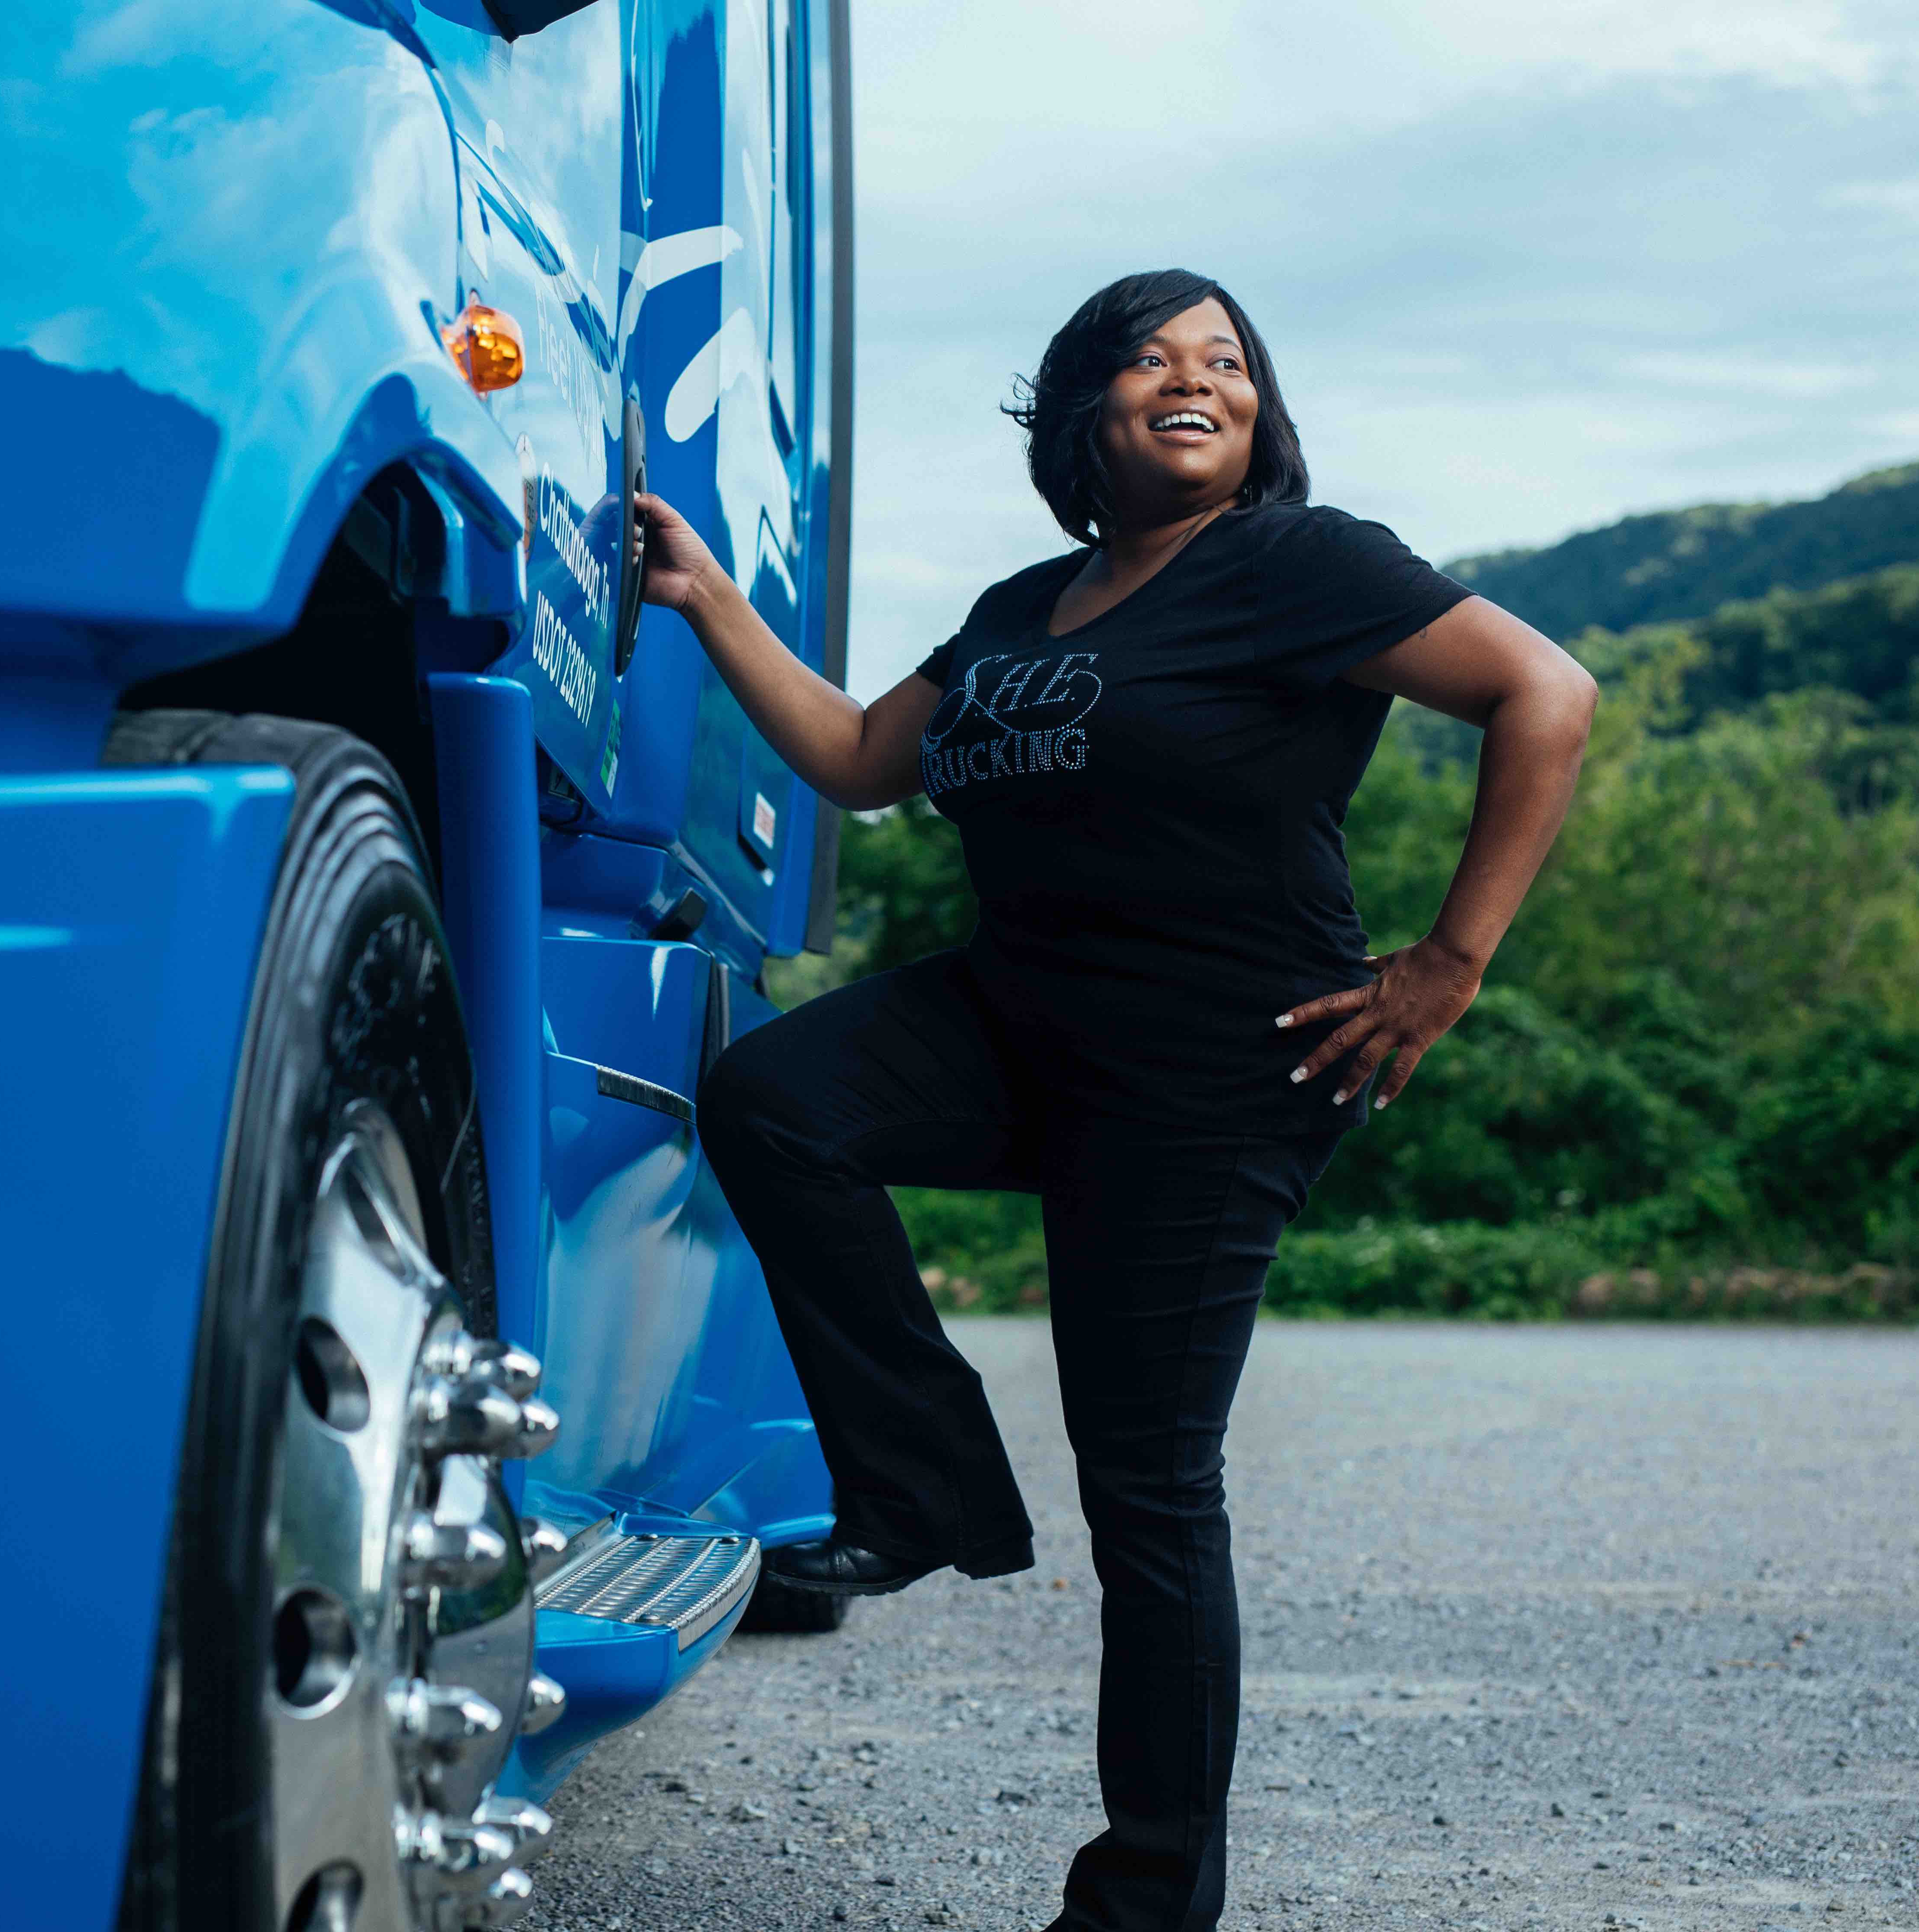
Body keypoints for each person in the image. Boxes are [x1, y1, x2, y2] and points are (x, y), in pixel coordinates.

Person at [637, 267, 1598, 1932]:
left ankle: (1147, 1899)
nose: (1194, 379)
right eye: (1154, 356)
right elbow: (866, 762)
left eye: (1226, 361)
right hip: (1016, 1017)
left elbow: (1549, 695)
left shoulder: (1297, 563)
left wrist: (1451, 961)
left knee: (1148, 1484)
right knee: (779, 1099)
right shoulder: (1027, 603)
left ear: (1260, 414)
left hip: (1214, 1069)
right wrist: (715, 599)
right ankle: (921, 1487)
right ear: (1088, 402)